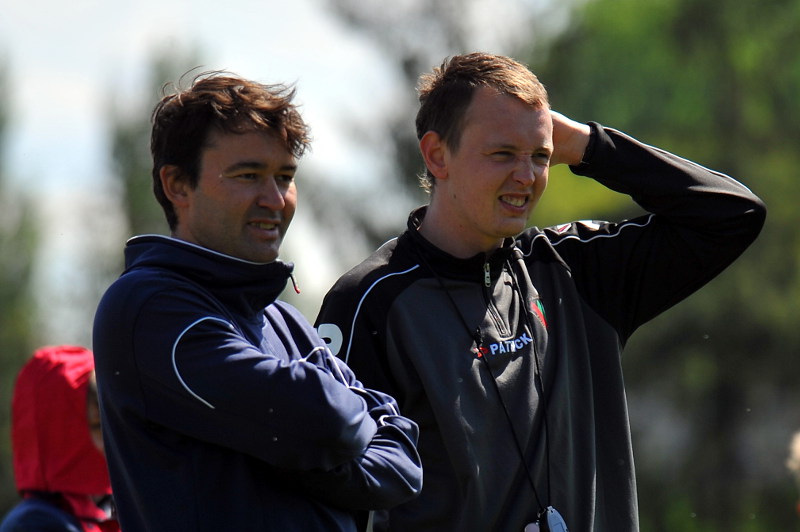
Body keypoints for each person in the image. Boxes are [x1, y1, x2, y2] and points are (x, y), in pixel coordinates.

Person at [314, 52, 767, 531]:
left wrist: (588, 145)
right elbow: (332, 489)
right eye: (503, 154)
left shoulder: (574, 269)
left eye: (541, 156)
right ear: (437, 155)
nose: (527, 177)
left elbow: (732, 216)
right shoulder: (369, 302)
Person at [91, 72, 422, 532]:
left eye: (285, 177)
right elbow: (321, 418)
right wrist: (323, 438)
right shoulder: (147, 308)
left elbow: (403, 457)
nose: (275, 199)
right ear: (177, 185)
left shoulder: (283, 320)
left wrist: (307, 454)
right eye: (248, 176)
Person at [0, 345, 120, 532]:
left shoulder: (108, 512)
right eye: (98, 427)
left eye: (112, 427)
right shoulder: (35, 524)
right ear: (60, 436)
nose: (109, 442)